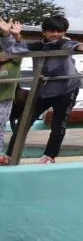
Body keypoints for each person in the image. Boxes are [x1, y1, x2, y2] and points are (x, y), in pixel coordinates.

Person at [3, 16, 83, 164]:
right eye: (52, 31)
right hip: (42, 90)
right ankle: (10, 154)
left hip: (66, 89)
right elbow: (14, 49)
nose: (56, 34)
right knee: (24, 123)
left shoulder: (63, 43)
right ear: (44, 32)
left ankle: (49, 156)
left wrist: (82, 47)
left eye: (60, 31)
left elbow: (73, 45)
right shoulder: (37, 46)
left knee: (58, 125)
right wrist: (8, 34)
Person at [0, 17, 24, 165]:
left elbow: (16, 50)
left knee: (0, 124)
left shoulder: (14, 61)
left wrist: (7, 35)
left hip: (4, 99)